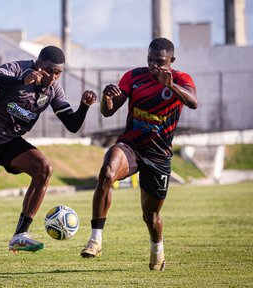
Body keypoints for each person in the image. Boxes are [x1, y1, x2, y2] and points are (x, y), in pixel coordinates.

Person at [0, 45, 96, 254]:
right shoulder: (19, 69)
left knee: (44, 168)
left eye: (58, 73)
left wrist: (84, 106)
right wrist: (21, 80)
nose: (53, 77)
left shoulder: (53, 89)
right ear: (38, 63)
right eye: (49, 70)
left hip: (11, 142)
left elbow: (72, 125)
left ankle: (20, 235)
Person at [80, 38, 197, 271]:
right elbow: (108, 111)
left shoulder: (182, 79)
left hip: (159, 155)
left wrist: (170, 85)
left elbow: (193, 102)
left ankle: (157, 251)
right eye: (150, 60)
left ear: (171, 61)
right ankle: (95, 240)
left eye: (160, 62)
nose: (154, 65)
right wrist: (107, 98)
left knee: (151, 216)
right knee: (107, 173)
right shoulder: (133, 77)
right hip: (131, 146)